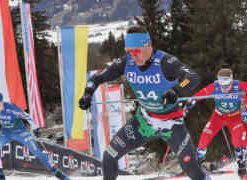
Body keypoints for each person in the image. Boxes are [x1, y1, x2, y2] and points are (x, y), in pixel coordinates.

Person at [77, 26, 209, 180]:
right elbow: (96, 78)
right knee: (109, 156)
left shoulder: (165, 62)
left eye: (137, 51)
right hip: (144, 122)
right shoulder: (126, 63)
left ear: (148, 46)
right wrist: (87, 94)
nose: (133, 56)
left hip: (171, 124)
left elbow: (192, 78)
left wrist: (176, 91)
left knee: (193, 170)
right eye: (129, 51)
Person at [0, 92, 69, 180]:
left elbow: (27, 116)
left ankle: (56, 172)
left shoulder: (11, 108)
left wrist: (35, 128)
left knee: (36, 151)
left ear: (2, 103)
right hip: (5, 133)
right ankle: (0, 174)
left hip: (21, 132)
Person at [192, 68, 247, 180]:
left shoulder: (239, 85)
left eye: (226, 86)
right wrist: (191, 101)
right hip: (218, 117)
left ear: (231, 81)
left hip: (235, 118)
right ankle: (198, 165)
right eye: (222, 86)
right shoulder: (215, 86)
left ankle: (242, 170)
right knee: (204, 137)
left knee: (237, 142)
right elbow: (200, 94)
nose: (224, 89)